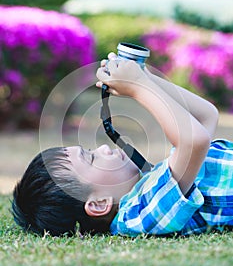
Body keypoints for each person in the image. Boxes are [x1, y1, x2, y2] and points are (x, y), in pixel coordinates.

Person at [12, 53, 233, 237]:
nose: (103, 148)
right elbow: (194, 140)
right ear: (99, 204)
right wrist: (139, 88)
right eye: (90, 157)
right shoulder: (136, 214)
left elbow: (206, 116)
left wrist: (145, 77)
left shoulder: (153, 182)